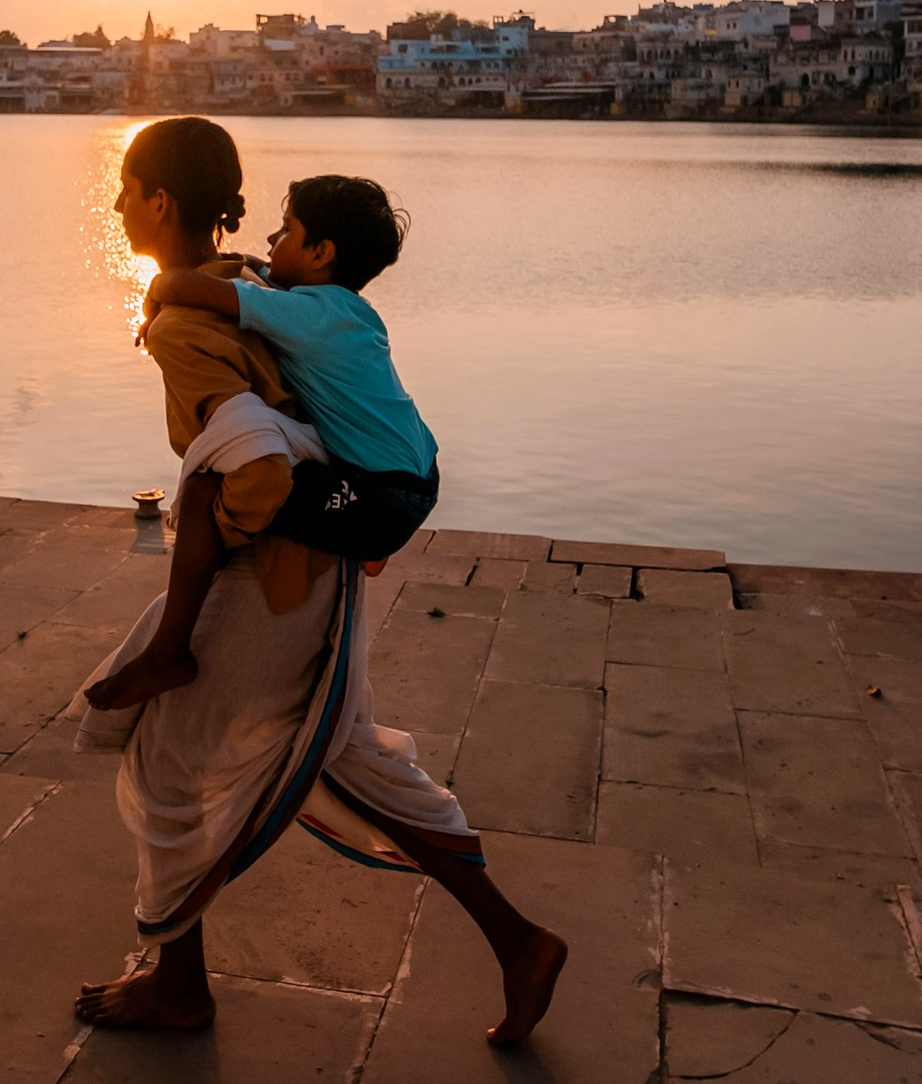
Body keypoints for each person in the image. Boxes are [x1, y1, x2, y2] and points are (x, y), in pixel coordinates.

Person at [73, 117, 564, 1046]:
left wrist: (219, 522)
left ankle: (180, 987)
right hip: (327, 558)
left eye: (127, 189)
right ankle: (518, 941)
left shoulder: (187, 319)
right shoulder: (246, 288)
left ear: (163, 203)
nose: (116, 204)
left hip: (274, 582)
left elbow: (253, 463)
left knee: (171, 771)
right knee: (347, 758)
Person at [86, 172, 436, 710]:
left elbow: (193, 287)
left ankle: (170, 652)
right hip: (416, 470)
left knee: (204, 493)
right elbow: (257, 272)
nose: (272, 242)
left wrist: (154, 293)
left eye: (286, 230)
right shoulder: (340, 309)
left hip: (381, 493)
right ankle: (369, 541)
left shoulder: (306, 313)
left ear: (321, 253)